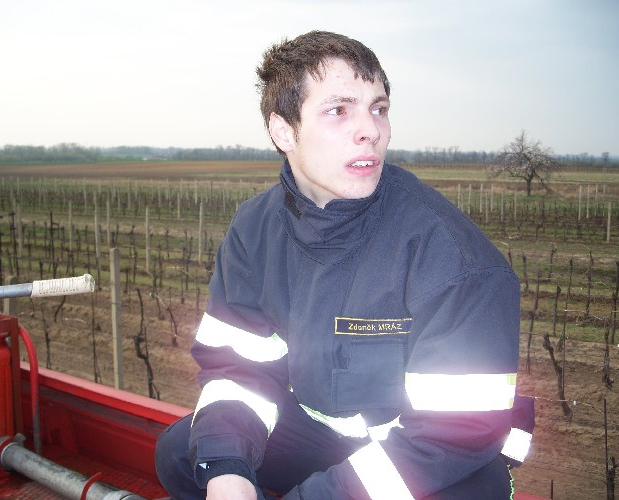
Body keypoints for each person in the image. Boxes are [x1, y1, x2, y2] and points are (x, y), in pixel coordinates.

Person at [155, 30, 533, 499]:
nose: (370, 130)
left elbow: (454, 435)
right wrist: (228, 474)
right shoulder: (254, 229)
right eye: (339, 110)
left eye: (379, 108)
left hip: (433, 457)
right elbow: (240, 370)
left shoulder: (457, 260)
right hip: (326, 434)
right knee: (187, 453)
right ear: (283, 131)